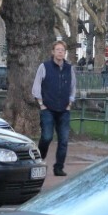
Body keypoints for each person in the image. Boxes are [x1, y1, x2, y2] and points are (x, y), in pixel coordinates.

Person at [32, 40, 76, 176]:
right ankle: (39, 160)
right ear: (53, 52)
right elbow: (36, 85)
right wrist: (41, 104)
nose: (60, 52)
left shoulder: (70, 68)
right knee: (46, 137)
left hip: (64, 109)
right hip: (48, 108)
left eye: (62, 50)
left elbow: (73, 87)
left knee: (63, 140)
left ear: (65, 52)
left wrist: (70, 103)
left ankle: (58, 168)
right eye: (58, 50)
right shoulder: (44, 66)